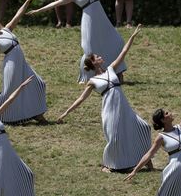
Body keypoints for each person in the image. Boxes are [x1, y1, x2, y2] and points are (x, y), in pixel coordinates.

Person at [57, 26, 151, 172]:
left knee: (143, 127)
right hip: (110, 109)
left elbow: (123, 53)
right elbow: (81, 99)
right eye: (97, 57)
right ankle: (108, 165)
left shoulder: (111, 69)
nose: (100, 57)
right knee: (114, 138)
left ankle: (145, 160)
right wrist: (65, 113)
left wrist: (132, 37)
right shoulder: (93, 81)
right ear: (93, 63)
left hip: (123, 107)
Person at [27, 0, 133, 83]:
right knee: (91, 48)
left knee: (116, 41)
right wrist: (38, 11)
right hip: (89, 22)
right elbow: (56, 3)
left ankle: (117, 71)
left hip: (101, 19)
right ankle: (94, 75)